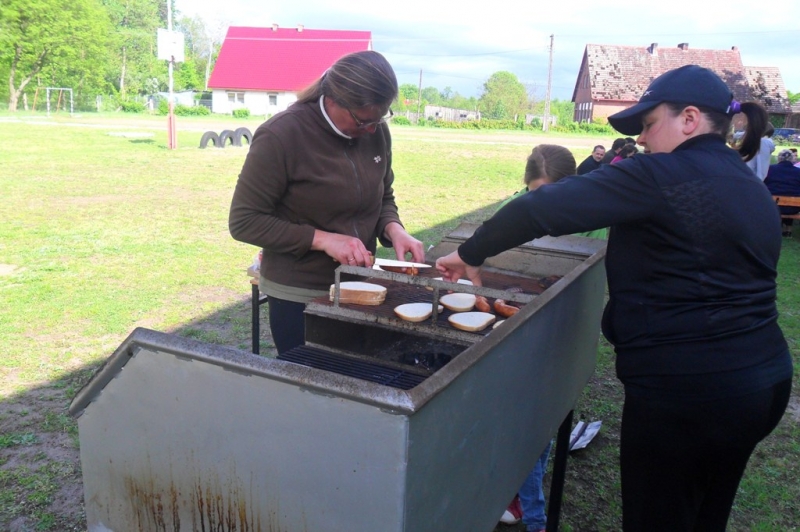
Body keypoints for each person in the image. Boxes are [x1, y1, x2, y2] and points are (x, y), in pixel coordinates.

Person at [435, 65, 792, 531]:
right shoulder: (748, 182)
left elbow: (542, 207)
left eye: (647, 125)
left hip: (688, 392)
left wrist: (470, 251)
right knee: (706, 514)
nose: (640, 140)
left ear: (689, 119)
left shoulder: (663, 174)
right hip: (761, 383)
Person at [229, 51, 424, 354]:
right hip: (300, 294)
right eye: (364, 120)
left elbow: (383, 195)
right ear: (333, 100)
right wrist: (322, 240)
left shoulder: (375, 131)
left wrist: (394, 229)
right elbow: (245, 221)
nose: (372, 130)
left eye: (380, 118)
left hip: (361, 286)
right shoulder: (281, 135)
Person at [497, 145, 607, 531]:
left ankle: (531, 510)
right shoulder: (514, 206)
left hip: (562, 327)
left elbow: (591, 273)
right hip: (516, 322)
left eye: (550, 195)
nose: (539, 204)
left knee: (539, 423)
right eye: (533, 193)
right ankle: (524, 502)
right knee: (528, 423)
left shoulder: (592, 216)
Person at [764, 148, 800, 236]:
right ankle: (788, 230)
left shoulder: (769, 169)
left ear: (779, 158)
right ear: (792, 159)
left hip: (772, 206)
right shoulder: (798, 172)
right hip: (794, 208)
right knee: (790, 194)